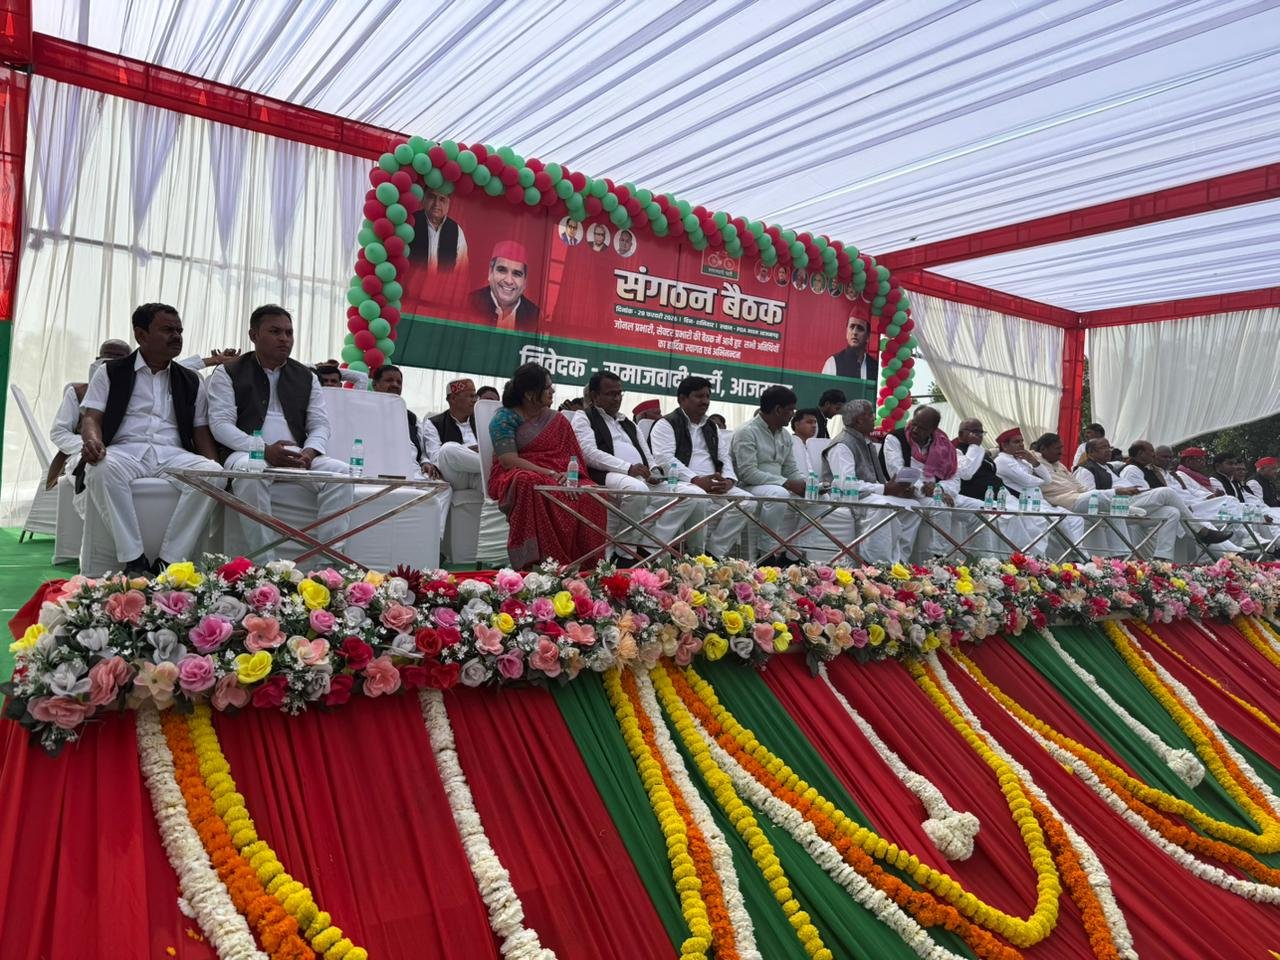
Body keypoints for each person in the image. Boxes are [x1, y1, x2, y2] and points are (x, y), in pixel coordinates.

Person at [78, 304, 222, 574]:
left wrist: (217, 470)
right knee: (101, 469)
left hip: (172, 454)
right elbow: (91, 418)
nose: (176, 336)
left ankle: (169, 561)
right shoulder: (110, 371)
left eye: (179, 330)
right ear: (141, 335)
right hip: (125, 451)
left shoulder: (191, 380)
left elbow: (200, 430)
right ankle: (134, 559)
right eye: (168, 330)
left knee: (213, 474)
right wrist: (93, 441)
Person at [207, 305, 353, 560]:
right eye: (275, 332)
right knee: (251, 471)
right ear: (253, 335)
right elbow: (220, 425)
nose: (284, 339)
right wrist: (264, 450)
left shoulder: (306, 376)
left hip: (297, 454)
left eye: (289, 332)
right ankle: (266, 566)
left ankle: (329, 565)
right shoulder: (228, 372)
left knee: (341, 473)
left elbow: (320, 424)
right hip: (247, 453)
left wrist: (309, 453)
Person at [487, 362, 606, 568]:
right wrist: (550, 473)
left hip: (559, 474)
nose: (553, 391)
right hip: (517, 473)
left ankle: (589, 566)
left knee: (592, 493)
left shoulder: (556, 420)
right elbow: (508, 460)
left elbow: (572, 457)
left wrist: (570, 476)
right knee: (527, 481)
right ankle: (538, 562)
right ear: (530, 394)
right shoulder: (503, 419)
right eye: (547, 387)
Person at [573, 372, 696, 558]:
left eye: (619, 393)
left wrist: (654, 472)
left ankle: (649, 547)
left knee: (691, 495)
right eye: (611, 394)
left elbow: (648, 455)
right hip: (606, 474)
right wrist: (627, 468)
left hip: (639, 476)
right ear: (594, 396)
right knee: (637, 489)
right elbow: (588, 453)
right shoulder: (584, 416)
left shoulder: (628, 423)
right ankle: (626, 553)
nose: (617, 398)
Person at [649, 376, 751, 558]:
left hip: (713, 483)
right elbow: (665, 459)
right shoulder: (666, 423)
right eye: (699, 396)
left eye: (707, 396)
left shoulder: (711, 426)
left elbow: (724, 456)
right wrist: (695, 480)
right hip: (680, 481)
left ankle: (713, 554)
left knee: (747, 502)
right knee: (698, 497)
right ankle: (696, 555)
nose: (705, 401)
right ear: (682, 399)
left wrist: (729, 480)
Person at [819, 399, 921, 563]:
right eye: (871, 414)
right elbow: (846, 484)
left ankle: (900, 562)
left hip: (867, 495)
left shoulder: (866, 442)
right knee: (882, 505)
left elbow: (875, 480)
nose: (875, 418)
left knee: (914, 506)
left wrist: (897, 489)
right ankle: (876, 565)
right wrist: (885, 489)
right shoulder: (841, 445)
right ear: (859, 420)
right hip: (844, 497)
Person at [730, 386, 808, 563]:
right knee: (778, 494)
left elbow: (790, 469)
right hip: (749, 487)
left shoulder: (785, 435)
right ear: (778, 410)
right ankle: (766, 554)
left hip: (778, 485)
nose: (793, 415)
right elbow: (747, 473)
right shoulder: (747, 431)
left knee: (819, 498)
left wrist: (806, 484)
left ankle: (794, 554)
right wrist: (787, 483)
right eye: (791, 410)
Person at [47, 338, 133, 490]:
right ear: (98, 359)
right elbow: (59, 432)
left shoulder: (139, 393)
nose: (112, 361)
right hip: (86, 454)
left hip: (128, 457)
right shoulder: (78, 392)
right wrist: (90, 446)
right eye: (108, 356)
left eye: (118, 358)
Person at [422, 378, 482, 494]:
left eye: (475, 396)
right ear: (453, 398)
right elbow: (437, 458)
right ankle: (492, 465)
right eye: (470, 396)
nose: (474, 400)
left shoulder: (481, 419)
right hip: (457, 476)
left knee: (498, 486)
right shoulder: (434, 423)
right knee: (447, 449)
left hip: (479, 473)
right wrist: (467, 451)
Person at [469, 241, 539, 330]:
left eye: (517, 274)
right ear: (490, 272)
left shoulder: (535, 316)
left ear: (525, 281)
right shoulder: (470, 302)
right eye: (502, 270)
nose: (508, 281)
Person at [370, 364, 423, 463]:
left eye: (399, 382)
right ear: (374, 384)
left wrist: (425, 462)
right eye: (389, 380)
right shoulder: (365, 411)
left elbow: (423, 450)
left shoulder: (411, 417)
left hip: (412, 468)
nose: (395, 385)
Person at [409, 186, 469, 274]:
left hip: (443, 282)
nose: (436, 204)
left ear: (448, 203)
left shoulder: (456, 230)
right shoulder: (410, 222)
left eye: (442, 199)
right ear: (423, 199)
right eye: (432, 197)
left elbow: (461, 269)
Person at [821, 313, 878, 380]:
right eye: (852, 327)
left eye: (860, 328)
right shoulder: (833, 363)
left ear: (868, 336)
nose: (854, 332)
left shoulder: (875, 367)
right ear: (846, 332)